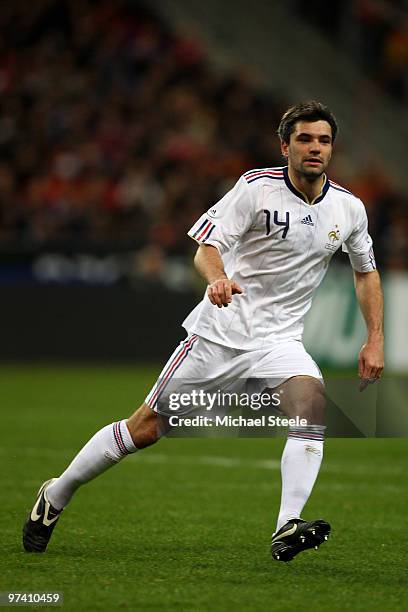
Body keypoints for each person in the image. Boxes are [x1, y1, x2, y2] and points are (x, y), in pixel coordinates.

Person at [23, 101, 384, 562]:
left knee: (312, 410)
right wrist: (217, 278)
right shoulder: (256, 189)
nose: (315, 148)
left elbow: (366, 271)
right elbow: (207, 245)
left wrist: (374, 337)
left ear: (333, 148)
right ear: (285, 146)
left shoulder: (349, 209)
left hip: (279, 342)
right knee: (145, 429)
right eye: (305, 139)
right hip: (218, 336)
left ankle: (286, 525)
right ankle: (56, 494)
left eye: (324, 140)